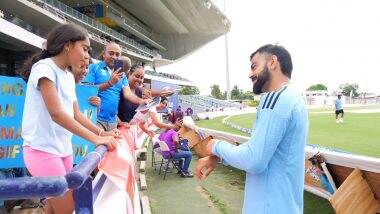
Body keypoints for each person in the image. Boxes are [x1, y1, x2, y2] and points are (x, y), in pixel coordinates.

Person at [195, 44, 308, 213]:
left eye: (254, 66)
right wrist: (221, 158)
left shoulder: (277, 99)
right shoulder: (291, 98)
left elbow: (254, 160)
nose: (250, 74)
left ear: (272, 62)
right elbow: (264, 152)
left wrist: (216, 146)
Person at [19, 23, 119, 214]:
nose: (87, 56)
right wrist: (96, 139)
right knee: (67, 208)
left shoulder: (67, 76)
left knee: (53, 205)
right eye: (85, 48)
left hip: (63, 150)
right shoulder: (44, 68)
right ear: (67, 45)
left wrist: (102, 132)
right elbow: (56, 114)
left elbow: (76, 114)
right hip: (41, 151)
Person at [83, 42, 148, 131]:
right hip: (95, 118)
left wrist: (141, 101)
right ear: (104, 54)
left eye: (117, 54)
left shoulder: (122, 75)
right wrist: (109, 83)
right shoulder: (94, 68)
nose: (114, 57)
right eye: (111, 53)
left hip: (113, 122)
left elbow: (128, 94)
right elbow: (86, 90)